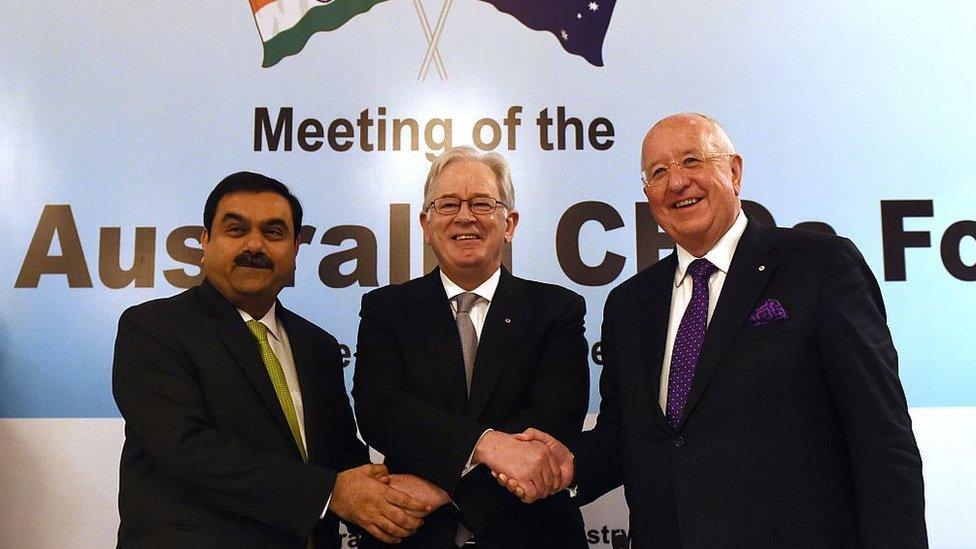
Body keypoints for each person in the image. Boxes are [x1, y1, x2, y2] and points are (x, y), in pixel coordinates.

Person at [511, 114, 927, 547]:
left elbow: (882, 440)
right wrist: (570, 465)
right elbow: (626, 438)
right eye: (658, 172)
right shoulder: (630, 305)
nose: (676, 183)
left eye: (692, 160)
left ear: (734, 171)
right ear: (648, 195)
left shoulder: (820, 265)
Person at [112, 172, 431, 548]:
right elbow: (186, 449)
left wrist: (411, 489)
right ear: (205, 241)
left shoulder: (318, 347)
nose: (254, 245)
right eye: (235, 229)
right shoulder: (154, 328)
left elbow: (341, 455)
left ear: (295, 248)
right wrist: (330, 493)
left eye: (274, 232)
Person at [352, 146, 589, 548]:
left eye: (481, 203)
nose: (465, 217)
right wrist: (487, 446)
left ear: (509, 223)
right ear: (426, 225)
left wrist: (446, 489)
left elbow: (555, 420)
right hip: (412, 537)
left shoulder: (557, 310)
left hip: (532, 533)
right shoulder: (385, 310)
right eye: (447, 205)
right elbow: (381, 412)